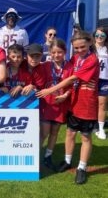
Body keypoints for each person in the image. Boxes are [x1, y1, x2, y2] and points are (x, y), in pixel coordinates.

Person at [36, 31, 99, 185]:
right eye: (76, 48)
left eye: (82, 47)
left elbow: (72, 78)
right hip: (73, 104)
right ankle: (67, 161)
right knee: (70, 133)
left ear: (90, 43)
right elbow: (72, 84)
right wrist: (67, 94)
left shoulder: (92, 60)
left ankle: (82, 168)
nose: (79, 51)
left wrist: (50, 90)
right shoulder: (75, 59)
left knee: (85, 137)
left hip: (87, 105)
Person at [39, 38, 73, 171]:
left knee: (54, 132)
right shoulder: (45, 66)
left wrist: (65, 95)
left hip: (61, 105)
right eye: (53, 52)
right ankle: (35, 156)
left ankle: (48, 157)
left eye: (59, 52)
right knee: (44, 133)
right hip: (47, 104)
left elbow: (73, 85)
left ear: (64, 52)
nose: (56, 55)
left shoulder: (70, 67)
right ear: (50, 53)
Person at [94, 27, 108, 139]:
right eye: (97, 35)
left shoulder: (107, 49)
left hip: (104, 80)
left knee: (102, 104)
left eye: (102, 35)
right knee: (89, 103)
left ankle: (101, 129)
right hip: (91, 80)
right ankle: (87, 125)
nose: (99, 37)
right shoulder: (89, 48)